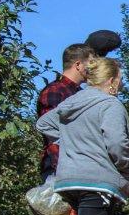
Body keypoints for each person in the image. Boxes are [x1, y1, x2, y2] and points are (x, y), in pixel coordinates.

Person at [35, 55, 129, 215]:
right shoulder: (111, 105)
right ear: (112, 80)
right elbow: (117, 145)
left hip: (68, 179)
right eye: (120, 79)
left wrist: (70, 141)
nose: (121, 84)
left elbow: (43, 123)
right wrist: (128, 167)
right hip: (96, 180)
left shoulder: (71, 103)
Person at [36, 42, 93, 181]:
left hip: (79, 165)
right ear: (78, 65)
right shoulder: (55, 91)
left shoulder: (81, 93)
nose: (93, 68)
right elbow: (53, 133)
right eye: (91, 63)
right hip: (60, 167)